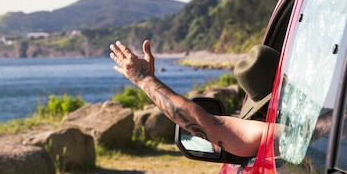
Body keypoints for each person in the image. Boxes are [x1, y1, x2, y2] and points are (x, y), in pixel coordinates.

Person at [110, 40, 269, 157]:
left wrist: (144, 79)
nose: (259, 120)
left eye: (259, 117)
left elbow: (203, 123)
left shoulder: (284, 137)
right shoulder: (287, 137)